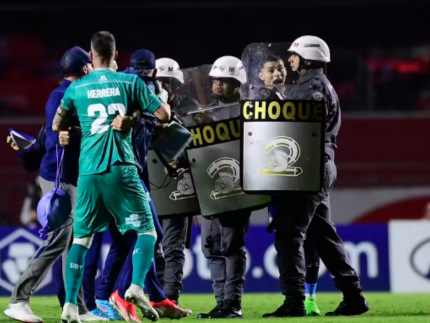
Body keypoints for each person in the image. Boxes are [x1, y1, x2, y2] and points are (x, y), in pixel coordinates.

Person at [52, 31, 171, 323]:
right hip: (122, 167)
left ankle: (70, 305)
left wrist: (67, 130)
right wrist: (135, 113)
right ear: (116, 55)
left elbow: (57, 122)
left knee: (81, 240)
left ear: (91, 57)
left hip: (89, 173)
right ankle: (135, 287)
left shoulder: (77, 87)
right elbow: (165, 115)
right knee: (147, 232)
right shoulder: (131, 82)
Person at [263, 35, 369, 317]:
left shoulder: (312, 88)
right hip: (317, 165)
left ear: (307, 58)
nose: (290, 60)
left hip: (309, 165)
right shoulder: (314, 85)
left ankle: (294, 301)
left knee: (288, 233)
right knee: (322, 235)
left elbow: (303, 124)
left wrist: (278, 100)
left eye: (294, 56)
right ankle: (353, 295)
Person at [3, 47, 102, 323]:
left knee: (74, 243)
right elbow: (57, 137)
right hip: (61, 180)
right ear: (84, 69)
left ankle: (77, 308)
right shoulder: (63, 97)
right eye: (90, 66)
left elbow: (45, 136)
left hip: (72, 178)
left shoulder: (62, 95)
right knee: (60, 238)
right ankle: (19, 299)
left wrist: (27, 148)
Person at [255, 48, 321, 316]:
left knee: (309, 238)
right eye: (271, 69)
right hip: (278, 183)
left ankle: (308, 299)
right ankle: (298, 298)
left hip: (304, 176)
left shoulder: (301, 96)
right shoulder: (254, 104)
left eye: (280, 68)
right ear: (260, 76)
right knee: (292, 238)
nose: (277, 72)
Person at [197, 55, 250, 319]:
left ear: (237, 83)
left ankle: (233, 302)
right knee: (210, 246)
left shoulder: (249, 111)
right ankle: (222, 302)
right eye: (215, 80)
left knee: (231, 245)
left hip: (238, 187)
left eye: (224, 80)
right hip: (210, 187)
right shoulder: (204, 113)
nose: (217, 85)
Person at [152, 57, 195, 305]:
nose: (165, 86)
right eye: (161, 81)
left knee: (174, 245)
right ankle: (155, 294)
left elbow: (198, 145)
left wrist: (184, 162)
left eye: (169, 82)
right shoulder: (145, 106)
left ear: (177, 84)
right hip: (150, 184)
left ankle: (170, 296)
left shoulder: (190, 109)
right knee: (150, 243)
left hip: (180, 183)